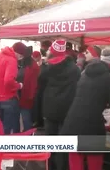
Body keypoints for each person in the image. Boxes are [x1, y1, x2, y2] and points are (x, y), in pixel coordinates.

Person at [60, 58, 110, 170]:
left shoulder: (84, 74)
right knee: (94, 157)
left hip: (72, 120)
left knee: (75, 155)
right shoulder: (109, 78)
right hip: (92, 123)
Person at [42, 39, 80, 170]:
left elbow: (40, 87)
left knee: (50, 143)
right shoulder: (75, 69)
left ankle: (50, 166)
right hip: (67, 110)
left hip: (50, 110)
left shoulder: (47, 69)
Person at [0, 42, 26, 134]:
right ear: (18, 53)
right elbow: (8, 81)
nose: (20, 59)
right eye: (21, 56)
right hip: (7, 98)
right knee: (8, 127)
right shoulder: (11, 60)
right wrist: (19, 85)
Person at [17, 46, 40, 132]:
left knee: (26, 119)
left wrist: (30, 96)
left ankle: (28, 135)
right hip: (20, 95)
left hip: (26, 97)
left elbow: (33, 83)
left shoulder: (32, 66)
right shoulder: (25, 63)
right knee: (22, 119)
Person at [32, 51, 47, 128]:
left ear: (39, 57)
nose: (34, 59)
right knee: (37, 105)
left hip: (42, 88)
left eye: (35, 57)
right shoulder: (33, 65)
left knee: (41, 105)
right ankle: (37, 121)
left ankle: (41, 121)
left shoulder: (44, 66)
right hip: (37, 88)